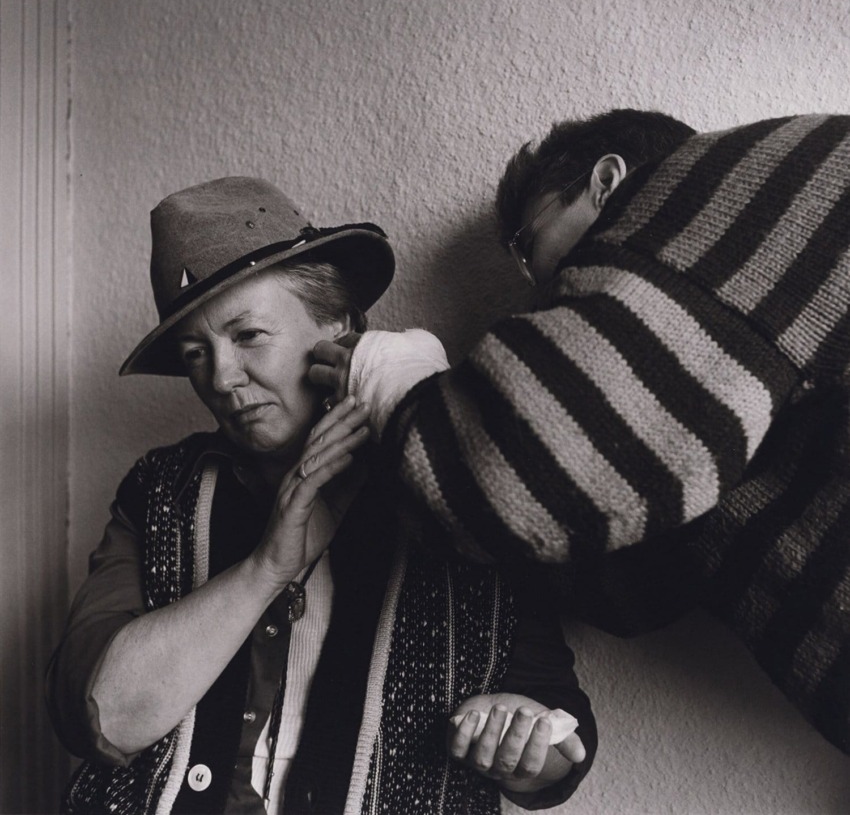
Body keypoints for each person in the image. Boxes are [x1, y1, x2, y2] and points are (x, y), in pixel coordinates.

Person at [46, 176, 597, 814]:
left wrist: (521, 738)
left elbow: (561, 744)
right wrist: (266, 568)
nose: (221, 378)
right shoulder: (161, 490)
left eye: (248, 336)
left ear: (338, 327)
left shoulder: (462, 475)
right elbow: (95, 715)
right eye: (196, 352)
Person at [309, 110, 850, 756]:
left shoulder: (764, 185)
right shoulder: (711, 389)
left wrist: (395, 380)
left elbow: (516, 480)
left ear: (606, 180)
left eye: (531, 246)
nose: (541, 296)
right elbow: (640, 592)